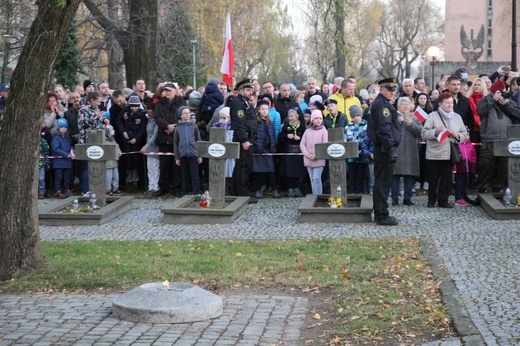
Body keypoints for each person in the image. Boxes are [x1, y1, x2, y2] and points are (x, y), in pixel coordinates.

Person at [421, 92, 468, 208]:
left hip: (449, 153)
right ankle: (431, 200)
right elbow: (424, 134)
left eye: (451, 103)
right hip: (434, 153)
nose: (450, 105)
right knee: (433, 179)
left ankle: (443, 200)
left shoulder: (457, 117)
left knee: (447, 179)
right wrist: (436, 131)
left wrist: (457, 135)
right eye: (447, 102)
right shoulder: (432, 116)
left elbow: (464, 134)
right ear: (440, 103)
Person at [366, 78, 401, 226]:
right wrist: (390, 148)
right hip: (384, 149)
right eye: (389, 90)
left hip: (384, 148)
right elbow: (384, 129)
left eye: (394, 90)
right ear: (381, 90)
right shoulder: (382, 106)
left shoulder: (382, 103)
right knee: (382, 183)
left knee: (382, 181)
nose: (392, 92)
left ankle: (381, 212)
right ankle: (381, 215)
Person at [476, 79, 520, 193]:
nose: (501, 94)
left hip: (506, 140)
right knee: (486, 167)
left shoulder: (509, 102)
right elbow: (481, 111)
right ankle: (482, 191)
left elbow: (518, 115)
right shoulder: (484, 100)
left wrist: (506, 105)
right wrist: (492, 101)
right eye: (498, 92)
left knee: (502, 167)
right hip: (489, 140)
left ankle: (498, 189)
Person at [153, 83, 185, 197]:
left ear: (175, 91)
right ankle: (163, 188)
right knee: (164, 165)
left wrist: (174, 126)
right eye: (165, 90)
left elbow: (184, 116)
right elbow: (157, 117)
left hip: (177, 137)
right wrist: (167, 126)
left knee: (177, 165)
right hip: (164, 136)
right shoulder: (159, 104)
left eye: (169, 90)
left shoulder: (181, 102)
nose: (167, 92)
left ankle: (177, 188)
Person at [390, 97, 423, 206]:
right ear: (398, 106)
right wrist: (398, 123)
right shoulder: (393, 116)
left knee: (409, 175)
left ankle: (407, 198)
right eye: (403, 104)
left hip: (411, 150)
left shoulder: (415, 118)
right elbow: (388, 130)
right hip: (397, 149)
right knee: (395, 175)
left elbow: (421, 132)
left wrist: (412, 125)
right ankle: (394, 198)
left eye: (408, 104)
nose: (406, 106)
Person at [230, 79, 258, 202]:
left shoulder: (245, 102)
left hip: (248, 137)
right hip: (244, 139)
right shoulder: (238, 103)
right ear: (241, 90)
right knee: (243, 166)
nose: (250, 92)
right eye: (247, 90)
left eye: (251, 90)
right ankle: (242, 194)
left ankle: (235, 192)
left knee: (242, 165)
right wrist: (244, 140)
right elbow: (239, 123)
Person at [252, 101, 280, 199]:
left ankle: (274, 190)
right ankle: (258, 190)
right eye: (263, 109)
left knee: (270, 171)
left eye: (266, 109)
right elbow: (254, 136)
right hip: (258, 150)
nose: (265, 111)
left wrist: (273, 146)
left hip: (268, 149)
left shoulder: (270, 122)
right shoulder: (256, 121)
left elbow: (272, 135)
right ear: (259, 110)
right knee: (258, 172)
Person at [116, 94, 147, 185]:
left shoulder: (142, 113)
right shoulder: (124, 111)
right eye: (132, 106)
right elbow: (118, 121)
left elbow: (143, 128)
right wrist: (123, 132)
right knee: (127, 156)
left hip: (136, 138)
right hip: (126, 138)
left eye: (136, 106)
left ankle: (136, 173)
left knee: (135, 156)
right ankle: (129, 172)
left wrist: (136, 138)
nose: (134, 108)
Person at [174, 106, 203, 196]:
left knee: (195, 174)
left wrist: (200, 155)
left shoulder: (194, 127)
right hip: (183, 154)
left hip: (193, 154)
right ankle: (185, 192)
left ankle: (197, 191)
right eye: (184, 113)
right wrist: (177, 157)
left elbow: (198, 140)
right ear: (181, 115)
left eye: (188, 113)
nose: (187, 115)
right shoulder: (178, 128)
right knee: (184, 175)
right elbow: (176, 142)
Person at [279, 108, 306, 197]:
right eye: (289, 116)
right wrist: (286, 136)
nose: (290, 118)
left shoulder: (302, 126)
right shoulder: (285, 126)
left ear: (297, 116)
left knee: (297, 170)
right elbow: (280, 139)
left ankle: (296, 187)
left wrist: (300, 138)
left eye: (292, 116)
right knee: (289, 171)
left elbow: (305, 138)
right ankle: (290, 188)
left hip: (298, 152)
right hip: (288, 152)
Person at [300, 110, 328, 195]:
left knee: (316, 178)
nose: (318, 120)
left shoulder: (324, 131)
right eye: (316, 118)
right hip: (308, 159)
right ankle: (314, 195)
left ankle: (318, 196)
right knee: (312, 179)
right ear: (312, 120)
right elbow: (302, 144)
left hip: (319, 159)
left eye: (320, 118)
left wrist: (317, 155)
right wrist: (308, 155)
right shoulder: (307, 131)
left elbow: (324, 145)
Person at [345, 105, 369, 194]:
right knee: (352, 175)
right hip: (351, 156)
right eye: (354, 116)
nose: (356, 118)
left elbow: (367, 140)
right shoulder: (348, 127)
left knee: (362, 176)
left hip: (362, 155)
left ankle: (362, 193)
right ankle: (352, 192)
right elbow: (345, 139)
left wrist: (361, 149)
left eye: (358, 115)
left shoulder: (366, 126)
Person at [211, 107, 235, 194]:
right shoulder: (215, 126)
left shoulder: (232, 127)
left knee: (230, 171)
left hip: (230, 154)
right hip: (220, 153)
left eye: (224, 118)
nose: (222, 120)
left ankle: (230, 189)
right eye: (220, 118)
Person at [51, 118, 74, 199]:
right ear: (58, 128)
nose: (64, 129)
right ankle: (58, 191)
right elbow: (56, 149)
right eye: (62, 127)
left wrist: (71, 152)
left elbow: (69, 147)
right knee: (58, 177)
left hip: (67, 161)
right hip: (59, 162)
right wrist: (66, 154)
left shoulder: (67, 137)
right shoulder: (56, 138)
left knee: (67, 176)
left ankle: (66, 189)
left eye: (65, 127)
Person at [140, 103, 160, 195]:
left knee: (155, 167)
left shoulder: (156, 121)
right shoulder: (148, 121)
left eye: (151, 111)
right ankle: (150, 186)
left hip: (154, 146)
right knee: (149, 167)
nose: (149, 113)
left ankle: (156, 186)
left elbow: (155, 135)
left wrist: (146, 146)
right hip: (148, 147)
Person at [104, 125, 123, 196]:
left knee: (116, 175)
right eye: (112, 130)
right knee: (108, 176)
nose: (113, 131)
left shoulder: (112, 139)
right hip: (108, 161)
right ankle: (107, 189)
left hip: (114, 160)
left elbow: (116, 146)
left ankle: (115, 188)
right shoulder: (104, 140)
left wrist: (119, 152)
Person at [38, 131, 51, 199]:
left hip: (41, 163)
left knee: (41, 178)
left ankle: (42, 191)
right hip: (32, 165)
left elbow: (46, 153)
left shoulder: (43, 141)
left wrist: (47, 162)